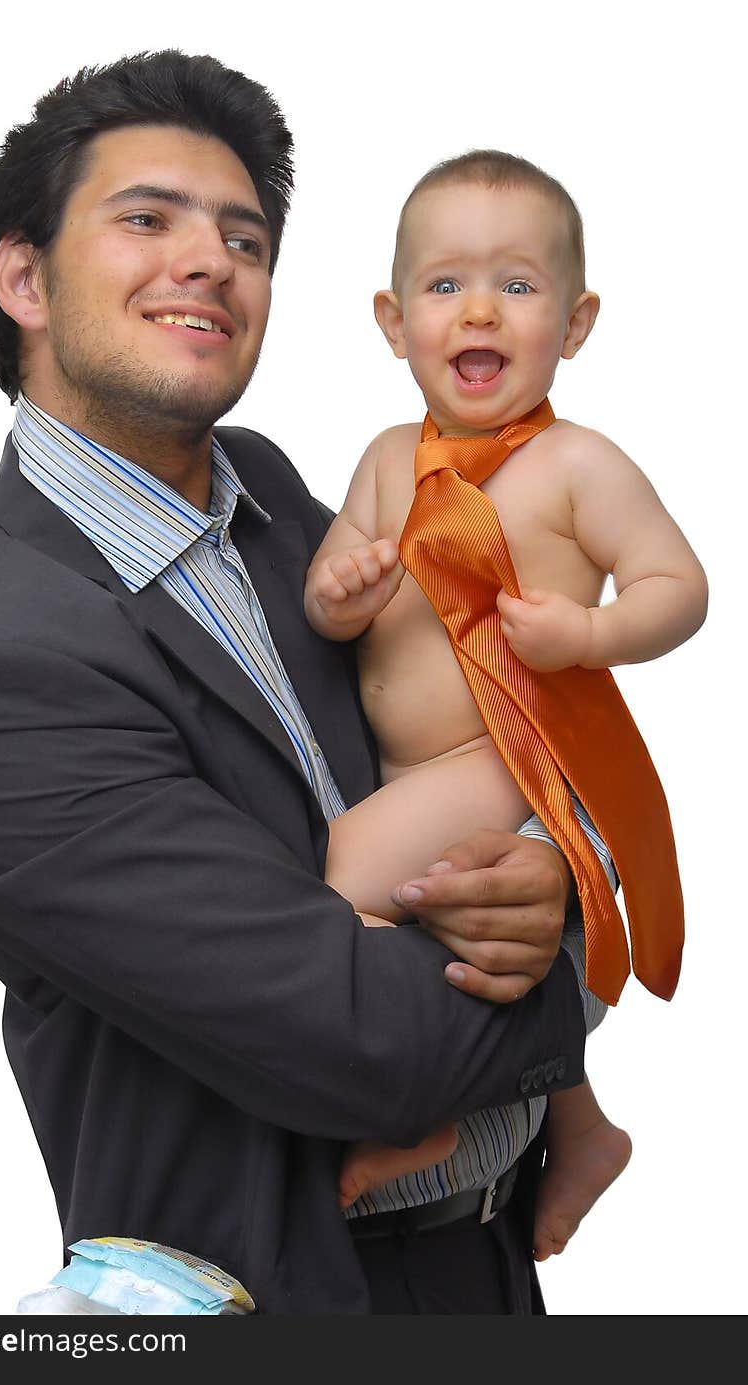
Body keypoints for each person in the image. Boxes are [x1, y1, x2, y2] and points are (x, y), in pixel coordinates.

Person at [0, 54, 611, 1316]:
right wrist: (580, 929)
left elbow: (467, 716)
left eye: (245, 235)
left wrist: (551, 856)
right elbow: (364, 1044)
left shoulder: (273, 495)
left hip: (489, 1262)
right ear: (23, 279)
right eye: (145, 219)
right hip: (283, 1293)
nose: (211, 260)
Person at [303, 150, 707, 1259]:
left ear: (573, 325)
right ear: (393, 320)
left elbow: (682, 589)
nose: (477, 307)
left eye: (517, 287)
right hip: (411, 769)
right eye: (443, 285)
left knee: (340, 874)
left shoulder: (581, 466)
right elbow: (332, 593)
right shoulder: (390, 460)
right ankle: (579, 1124)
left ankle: (417, 1110)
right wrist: (340, 593)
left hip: (510, 751)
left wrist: (588, 633)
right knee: (462, 941)